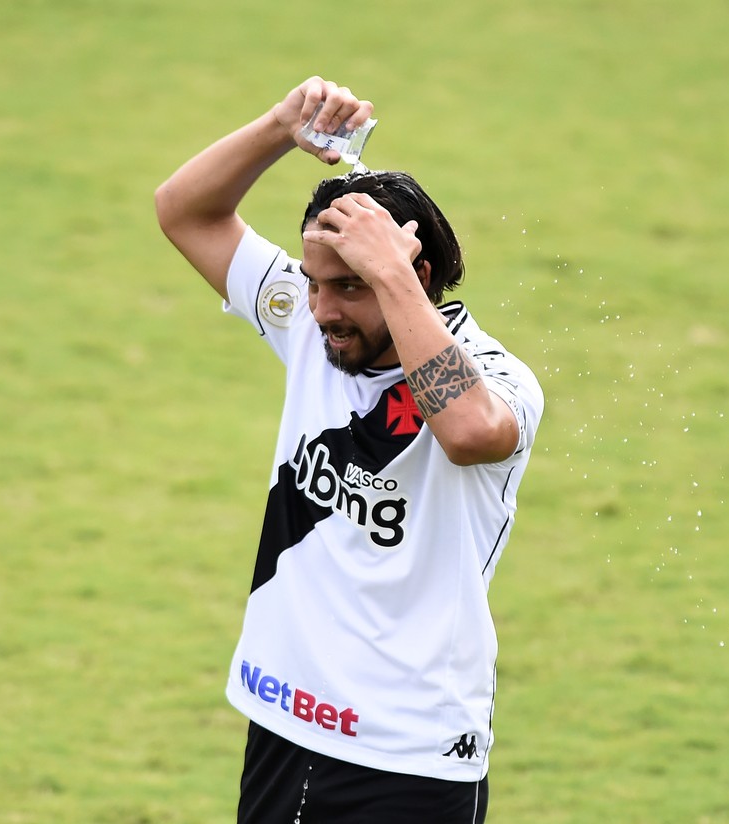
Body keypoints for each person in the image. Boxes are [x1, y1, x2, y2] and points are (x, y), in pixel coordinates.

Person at [155, 76, 543, 824]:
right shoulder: (309, 327)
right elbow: (185, 211)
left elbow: (469, 432)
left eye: (350, 286)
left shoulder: (496, 376)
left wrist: (389, 274)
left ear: (413, 276)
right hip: (285, 721)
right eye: (314, 284)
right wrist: (281, 126)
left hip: (407, 755)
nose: (324, 310)